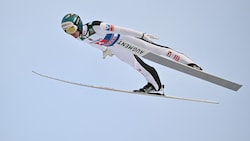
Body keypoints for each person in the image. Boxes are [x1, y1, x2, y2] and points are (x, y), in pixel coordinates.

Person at [61, 13, 202, 95]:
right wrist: (105, 51)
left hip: (125, 40)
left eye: (71, 28)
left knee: (157, 50)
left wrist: (141, 35)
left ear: (78, 24)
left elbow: (121, 29)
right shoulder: (81, 37)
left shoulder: (95, 26)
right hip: (116, 48)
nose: (71, 33)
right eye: (67, 31)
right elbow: (92, 44)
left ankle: (189, 63)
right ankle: (156, 86)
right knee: (137, 66)